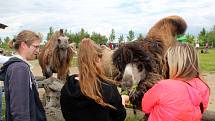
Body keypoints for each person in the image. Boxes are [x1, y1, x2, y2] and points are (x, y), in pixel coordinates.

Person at [60, 38, 126, 121]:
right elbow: (120, 116)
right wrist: (122, 101)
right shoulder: (108, 88)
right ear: (98, 59)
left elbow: (66, 114)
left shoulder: (67, 88)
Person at [141, 43, 210, 121]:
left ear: (173, 64)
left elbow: (145, 107)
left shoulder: (164, 86)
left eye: (167, 61)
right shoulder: (204, 86)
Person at [0, 30, 46, 121]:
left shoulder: (19, 66)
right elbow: (19, 111)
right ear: (23, 45)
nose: (38, 50)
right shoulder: (19, 68)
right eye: (35, 47)